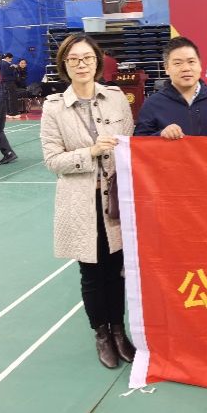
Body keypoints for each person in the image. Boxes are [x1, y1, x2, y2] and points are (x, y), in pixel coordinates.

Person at [40, 33, 136, 369]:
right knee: (92, 272)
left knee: (118, 269)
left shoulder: (116, 99)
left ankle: (119, 330)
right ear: (65, 65)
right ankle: (102, 334)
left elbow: (132, 144)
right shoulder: (54, 108)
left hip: (116, 200)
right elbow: (52, 160)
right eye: (74, 59)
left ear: (97, 62)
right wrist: (90, 152)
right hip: (81, 203)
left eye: (87, 58)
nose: (81, 64)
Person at [135, 37, 207, 138]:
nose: (186, 68)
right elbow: (139, 143)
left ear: (200, 65)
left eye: (191, 62)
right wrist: (160, 135)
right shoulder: (152, 103)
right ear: (166, 68)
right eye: (178, 63)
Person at [0, 53, 20, 117]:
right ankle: (13, 113)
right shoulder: (6, 64)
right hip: (9, 82)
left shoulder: (0, 63)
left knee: (7, 98)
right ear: (7, 58)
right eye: (11, 59)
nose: (11, 60)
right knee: (12, 97)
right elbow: (6, 73)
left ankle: (8, 112)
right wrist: (13, 67)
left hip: (5, 83)